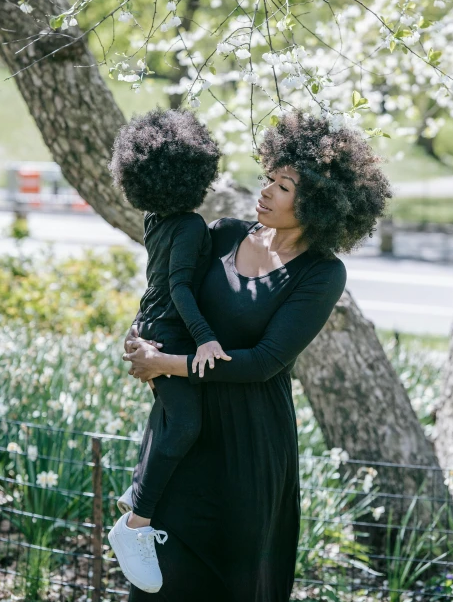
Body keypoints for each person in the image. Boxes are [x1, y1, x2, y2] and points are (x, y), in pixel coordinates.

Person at [122, 110, 393, 602]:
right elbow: (168, 295)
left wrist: (169, 366)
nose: (265, 191)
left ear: (319, 202)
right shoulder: (223, 233)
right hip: (183, 434)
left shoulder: (321, 274)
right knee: (161, 581)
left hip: (249, 444)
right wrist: (141, 340)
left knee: (235, 583)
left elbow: (264, 360)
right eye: (269, 178)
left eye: (284, 186)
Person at [106, 108, 231, 593]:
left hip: (150, 326)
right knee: (185, 422)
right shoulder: (190, 226)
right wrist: (205, 338)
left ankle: (139, 488)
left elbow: (157, 283)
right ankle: (135, 523)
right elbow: (179, 288)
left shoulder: (154, 219)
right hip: (172, 336)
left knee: (169, 417)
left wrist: (138, 325)